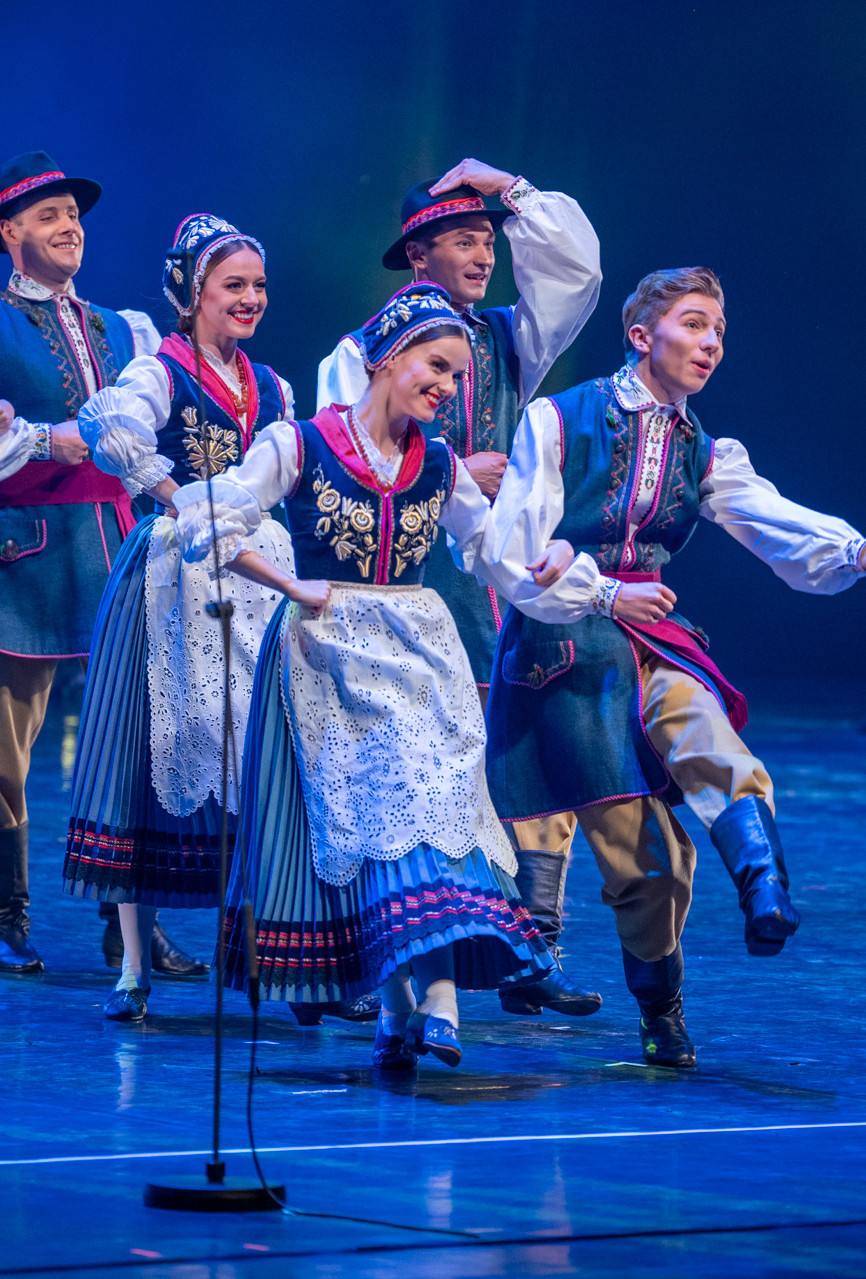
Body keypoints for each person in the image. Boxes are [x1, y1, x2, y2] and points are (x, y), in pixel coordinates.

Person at [477, 267, 866, 1068]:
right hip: (563, 653)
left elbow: (773, 518)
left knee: (706, 732)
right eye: (696, 324)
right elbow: (512, 554)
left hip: (653, 638)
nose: (712, 344)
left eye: (720, 331)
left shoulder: (700, 448)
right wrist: (604, 593)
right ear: (642, 336)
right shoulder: (558, 420)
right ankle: (660, 1005)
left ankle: (763, 881)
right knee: (651, 863)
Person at [182, 283, 567, 1070]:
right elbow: (205, 525)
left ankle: (440, 1000)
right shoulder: (301, 445)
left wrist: (560, 568)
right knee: (363, 827)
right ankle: (399, 1009)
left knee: (434, 804)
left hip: (420, 653)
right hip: (327, 656)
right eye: (437, 366)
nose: (448, 386)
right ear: (388, 358)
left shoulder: (441, 465)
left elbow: (496, 556)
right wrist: (288, 584)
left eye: (457, 375)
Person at [317, 158, 603, 1019]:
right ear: (418, 255)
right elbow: (342, 456)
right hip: (407, 578)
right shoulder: (361, 351)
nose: (485, 256)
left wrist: (513, 189)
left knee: (521, 756)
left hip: (497, 576)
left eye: (489, 241)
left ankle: (530, 945)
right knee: (398, 770)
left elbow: (579, 271)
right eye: (465, 241)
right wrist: (444, 470)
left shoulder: (510, 338)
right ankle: (367, 956)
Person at [0, 152, 204, 978]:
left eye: (73, 214)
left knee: (135, 740)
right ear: (10, 233)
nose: (69, 226)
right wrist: (41, 437)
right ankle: (3, 918)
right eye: (48, 216)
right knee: (1, 751)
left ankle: (131, 924)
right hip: (23, 549)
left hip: (113, 540)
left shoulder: (126, 329)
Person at [61, 214, 294, 1021]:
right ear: (192, 295)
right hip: (171, 570)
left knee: (254, 751)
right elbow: (109, 426)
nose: (250, 298)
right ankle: (133, 964)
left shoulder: (271, 387)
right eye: (233, 285)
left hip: (254, 570)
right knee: (151, 752)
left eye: (258, 285)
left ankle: (255, 946)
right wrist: (175, 495)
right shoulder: (162, 369)